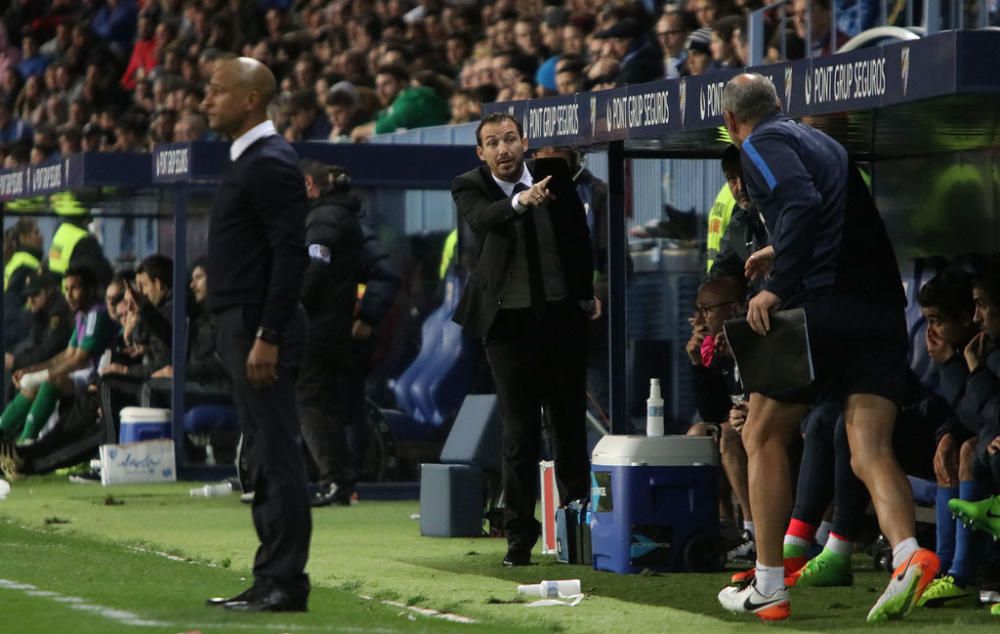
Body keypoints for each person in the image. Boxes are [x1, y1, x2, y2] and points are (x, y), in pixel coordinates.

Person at [716, 73, 938, 623]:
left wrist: (776, 283)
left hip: (826, 306)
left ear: (730, 124)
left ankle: (769, 582)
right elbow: (829, 214)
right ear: (780, 103)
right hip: (881, 311)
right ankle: (908, 554)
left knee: (760, 433)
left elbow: (801, 203)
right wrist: (777, 248)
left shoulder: (761, 143)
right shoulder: (822, 141)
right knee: (869, 448)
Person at [451, 112, 599, 567]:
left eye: (510, 139)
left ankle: (577, 534)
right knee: (520, 433)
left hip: (559, 319)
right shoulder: (469, 185)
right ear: (481, 153)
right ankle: (519, 538)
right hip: (507, 327)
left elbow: (577, 236)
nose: (503, 149)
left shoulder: (557, 177)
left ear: (524, 141)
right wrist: (520, 202)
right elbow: (484, 219)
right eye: (493, 143)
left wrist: (587, 293)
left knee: (570, 425)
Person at [202, 56, 311, 612]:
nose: (205, 99)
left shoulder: (269, 162)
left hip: (257, 327)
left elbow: (290, 254)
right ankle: (270, 574)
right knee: (263, 455)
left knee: (276, 454)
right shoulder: (250, 161)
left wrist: (267, 332)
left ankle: (286, 582)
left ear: (250, 99)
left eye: (217, 90)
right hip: (242, 323)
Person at [297, 159, 363, 507]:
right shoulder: (343, 214)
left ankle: (332, 480)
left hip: (319, 325)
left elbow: (316, 270)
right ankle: (340, 481)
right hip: (336, 323)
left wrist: (294, 305)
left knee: (311, 402)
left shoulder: (323, 218)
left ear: (310, 183)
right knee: (328, 403)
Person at [0, 266, 113, 446]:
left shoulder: (96, 313)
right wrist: (30, 370)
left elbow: (79, 359)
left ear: (90, 289)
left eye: (75, 288)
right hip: (79, 375)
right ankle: (4, 434)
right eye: (66, 289)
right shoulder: (81, 314)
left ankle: (25, 443)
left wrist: (44, 375)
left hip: (95, 378)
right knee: (30, 386)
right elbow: (66, 354)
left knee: (51, 382)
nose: (69, 295)